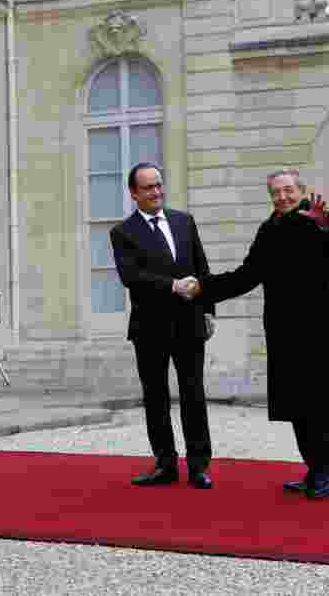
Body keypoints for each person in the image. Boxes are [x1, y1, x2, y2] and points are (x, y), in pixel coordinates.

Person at [190, 169, 329, 500]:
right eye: (275, 193)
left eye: (288, 191)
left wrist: (325, 220)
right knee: (297, 407)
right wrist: (203, 288)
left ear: (301, 191)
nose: (282, 197)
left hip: (318, 330)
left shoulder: (317, 218)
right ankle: (314, 469)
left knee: (318, 406)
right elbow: (246, 275)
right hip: (283, 331)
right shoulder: (269, 229)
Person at [110, 162, 216, 490]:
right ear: (133, 193)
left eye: (158, 185)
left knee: (193, 394)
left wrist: (208, 310)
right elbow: (132, 277)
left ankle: (198, 466)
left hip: (189, 323)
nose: (156, 192)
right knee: (155, 397)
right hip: (150, 326)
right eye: (147, 188)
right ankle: (165, 464)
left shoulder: (184, 222)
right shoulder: (123, 233)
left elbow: (202, 267)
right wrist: (172, 286)